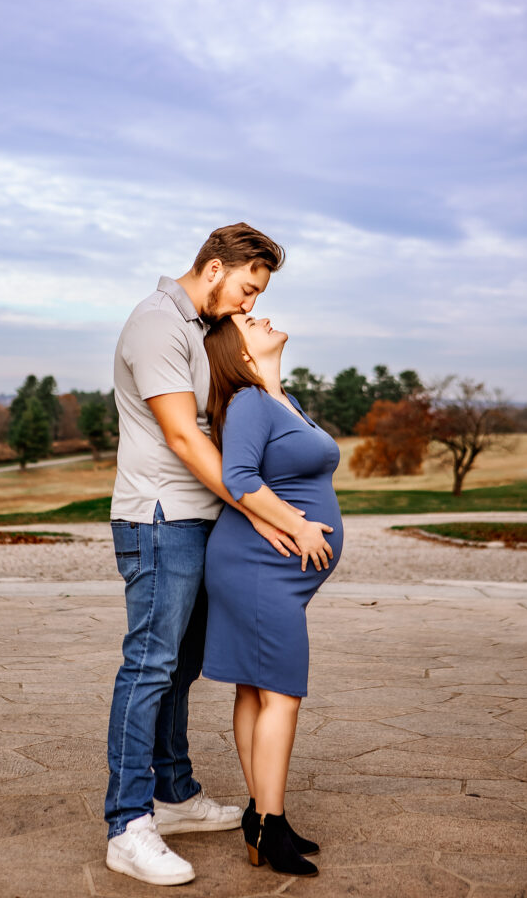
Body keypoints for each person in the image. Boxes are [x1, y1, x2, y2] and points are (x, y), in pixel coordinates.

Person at [105, 223, 330, 887]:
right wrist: (270, 511)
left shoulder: (198, 331)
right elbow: (180, 434)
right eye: (245, 287)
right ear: (212, 268)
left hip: (197, 521)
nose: (246, 304)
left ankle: (172, 796)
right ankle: (126, 824)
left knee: (181, 669)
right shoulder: (156, 323)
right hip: (159, 520)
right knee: (148, 666)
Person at [202, 312, 344, 878]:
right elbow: (238, 477)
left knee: (257, 689)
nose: (260, 315)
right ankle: (267, 822)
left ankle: (266, 819)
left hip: (269, 570)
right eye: (247, 319)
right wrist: (301, 527)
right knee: (281, 693)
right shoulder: (248, 402)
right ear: (237, 352)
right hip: (257, 567)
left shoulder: (281, 400)